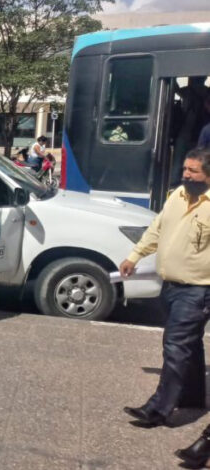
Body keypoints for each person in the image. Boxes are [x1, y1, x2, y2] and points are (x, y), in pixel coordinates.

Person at [120, 147, 210, 428]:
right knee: (189, 344)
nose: (186, 175)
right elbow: (157, 229)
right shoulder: (177, 196)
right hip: (170, 286)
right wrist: (134, 256)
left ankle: (159, 409)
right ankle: (193, 397)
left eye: (193, 171)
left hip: (198, 290)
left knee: (175, 346)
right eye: (185, 169)